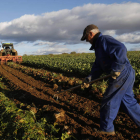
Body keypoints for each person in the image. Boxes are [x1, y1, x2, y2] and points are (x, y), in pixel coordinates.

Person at [81, 24, 140, 137]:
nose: (86, 41)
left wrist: (117, 68)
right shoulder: (98, 48)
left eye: (86, 38)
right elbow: (98, 67)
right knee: (127, 101)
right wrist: (89, 79)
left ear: (91, 34)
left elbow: (121, 48)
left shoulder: (104, 40)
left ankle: (106, 129)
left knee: (109, 100)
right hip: (125, 73)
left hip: (121, 73)